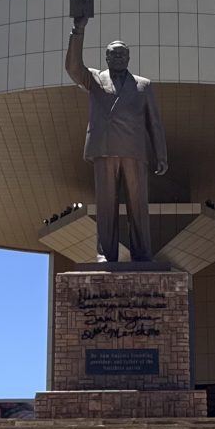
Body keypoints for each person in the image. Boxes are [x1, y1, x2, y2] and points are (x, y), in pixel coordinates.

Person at [65, 14, 168, 262]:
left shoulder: (143, 85)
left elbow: (153, 122)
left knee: (138, 206)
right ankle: (105, 254)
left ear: (129, 58)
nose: (118, 57)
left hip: (135, 152)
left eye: (122, 54)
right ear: (106, 57)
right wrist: (77, 31)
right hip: (105, 150)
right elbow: (73, 68)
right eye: (113, 54)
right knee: (105, 207)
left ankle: (142, 254)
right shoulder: (96, 80)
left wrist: (161, 154)